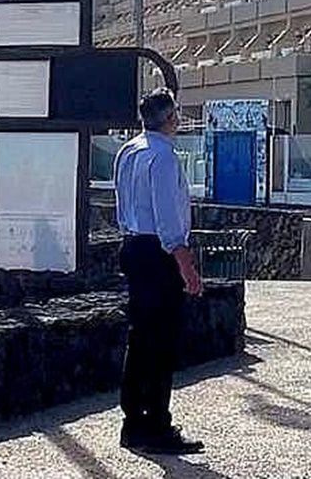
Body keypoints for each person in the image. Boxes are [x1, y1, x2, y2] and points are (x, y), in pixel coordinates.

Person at [113, 88, 205, 455]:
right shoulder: (164, 157)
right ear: (170, 118)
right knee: (161, 343)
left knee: (139, 340)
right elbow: (169, 219)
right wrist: (188, 268)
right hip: (157, 253)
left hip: (133, 246)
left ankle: (133, 420)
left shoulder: (128, 150)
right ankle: (156, 424)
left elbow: (122, 203)